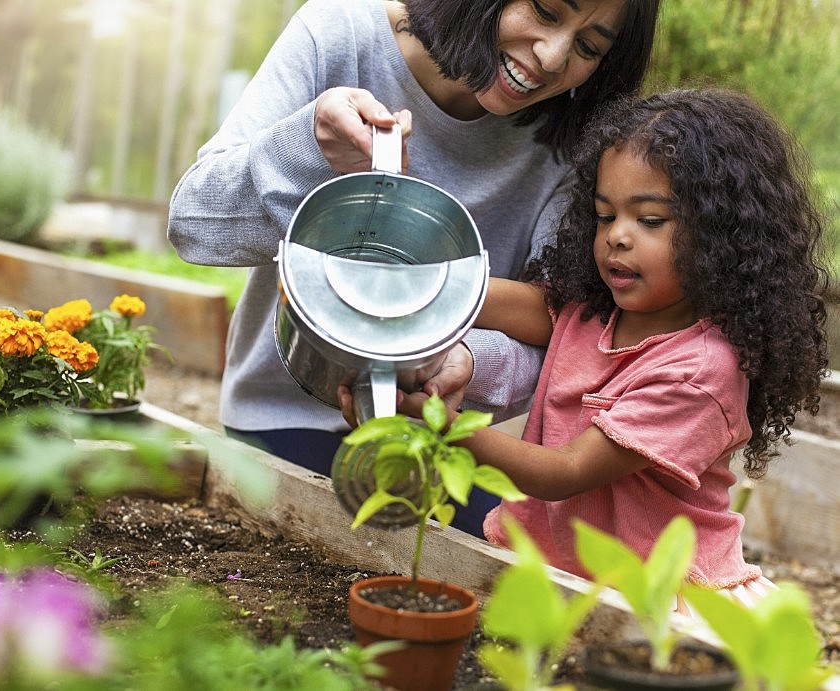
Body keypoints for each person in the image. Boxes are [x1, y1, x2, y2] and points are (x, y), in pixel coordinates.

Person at [167, 0, 660, 536]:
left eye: (589, 47)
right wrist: (310, 145)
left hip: (440, 441)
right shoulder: (342, 35)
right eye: (544, 11)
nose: (551, 55)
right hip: (286, 417)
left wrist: (467, 359)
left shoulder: (569, 145)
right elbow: (194, 224)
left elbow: (568, 336)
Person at [342, 87, 831, 598]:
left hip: (655, 596)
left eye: (649, 220)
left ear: (721, 235)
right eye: (605, 215)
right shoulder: (598, 311)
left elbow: (566, 471)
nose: (617, 235)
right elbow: (529, 307)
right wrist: (432, 291)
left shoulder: (701, 370)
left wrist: (433, 424)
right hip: (554, 573)